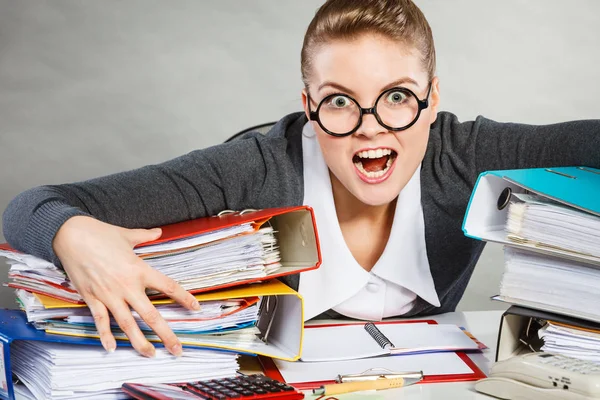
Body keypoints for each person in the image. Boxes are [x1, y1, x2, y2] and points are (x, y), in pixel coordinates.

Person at [3, 0, 600, 359]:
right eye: (340, 101)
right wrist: (72, 236)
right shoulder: (256, 167)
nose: (371, 130)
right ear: (309, 105)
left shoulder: (463, 152)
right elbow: (34, 205)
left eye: (396, 97)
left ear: (432, 97)